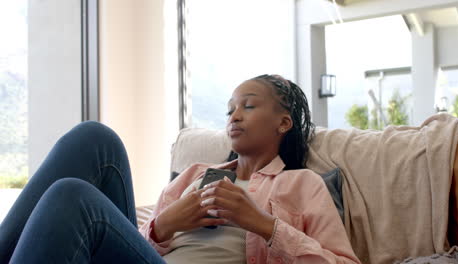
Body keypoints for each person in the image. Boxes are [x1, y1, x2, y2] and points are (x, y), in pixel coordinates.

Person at [0, 74, 360, 263]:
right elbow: (126, 241)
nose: (234, 115)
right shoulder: (193, 174)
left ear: (283, 123)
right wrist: (164, 226)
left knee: (71, 195)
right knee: (94, 139)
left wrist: (262, 224)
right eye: (230, 109)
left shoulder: (302, 184)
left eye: (248, 106)